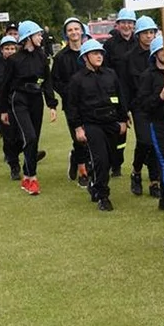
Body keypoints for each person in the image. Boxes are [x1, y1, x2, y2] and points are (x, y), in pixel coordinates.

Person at [65, 39, 128, 211]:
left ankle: (94, 182)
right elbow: (72, 106)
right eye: (95, 53)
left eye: (101, 53)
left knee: (112, 159)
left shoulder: (110, 74)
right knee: (101, 159)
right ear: (85, 57)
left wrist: (123, 120)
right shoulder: (77, 80)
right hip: (92, 125)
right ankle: (103, 196)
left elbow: (120, 98)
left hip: (111, 123)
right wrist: (78, 127)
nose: (99, 56)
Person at [0, 20, 58, 196]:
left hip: (36, 100)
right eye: (38, 34)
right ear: (28, 37)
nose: (41, 37)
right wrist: (2, 110)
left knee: (34, 139)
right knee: (30, 137)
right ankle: (31, 178)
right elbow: (5, 86)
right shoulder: (14, 60)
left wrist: (51, 104)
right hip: (19, 100)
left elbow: (47, 81)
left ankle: (26, 172)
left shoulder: (42, 56)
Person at [137, 35, 164, 210]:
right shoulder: (148, 76)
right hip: (159, 124)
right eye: (162, 49)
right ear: (155, 53)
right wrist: (159, 97)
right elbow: (143, 104)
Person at [51, 17, 90, 183]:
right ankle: (82, 170)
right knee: (79, 137)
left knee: (91, 136)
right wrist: (69, 93)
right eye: (70, 30)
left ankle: (78, 159)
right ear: (66, 34)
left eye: (76, 29)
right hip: (71, 104)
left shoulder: (90, 51)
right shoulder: (61, 57)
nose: (74, 32)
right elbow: (55, 80)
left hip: (91, 102)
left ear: (82, 31)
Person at [102, 8, 137, 177]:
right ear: (118, 25)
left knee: (145, 135)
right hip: (116, 94)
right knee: (118, 132)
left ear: (134, 25)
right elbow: (105, 71)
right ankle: (116, 163)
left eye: (130, 22)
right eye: (124, 22)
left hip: (137, 94)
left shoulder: (140, 41)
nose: (126, 26)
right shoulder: (109, 45)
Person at [126, 16, 159, 197]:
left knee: (156, 143)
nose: (149, 36)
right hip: (139, 106)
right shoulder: (129, 57)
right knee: (145, 141)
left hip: (158, 105)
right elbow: (125, 85)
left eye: (152, 32)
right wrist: (124, 110)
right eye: (145, 33)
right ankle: (136, 171)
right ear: (138, 35)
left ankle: (155, 181)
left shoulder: (159, 53)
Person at [0, 35, 23, 181]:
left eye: (12, 48)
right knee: (9, 138)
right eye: (7, 48)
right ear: (1, 50)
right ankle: (14, 166)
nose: (10, 51)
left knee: (23, 135)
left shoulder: (22, 65)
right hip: (3, 107)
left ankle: (26, 152)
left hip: (21, 105)